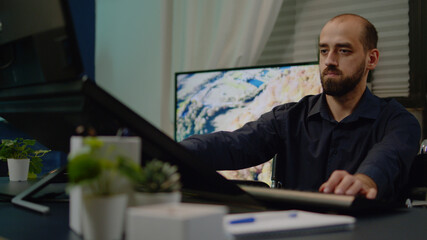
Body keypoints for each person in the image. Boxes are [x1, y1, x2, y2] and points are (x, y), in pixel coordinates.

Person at [180, 14, 421, 201]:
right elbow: (233, 144)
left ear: (372, 59)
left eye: (343, 50)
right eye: (324, 50)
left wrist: (365, 181)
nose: (330, 61)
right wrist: (171, 152)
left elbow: (388, 158)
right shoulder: (288, 118)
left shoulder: (398, 122)